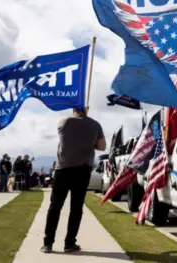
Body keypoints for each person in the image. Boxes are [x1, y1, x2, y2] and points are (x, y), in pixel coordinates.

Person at [41, 106, 106, 254]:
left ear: (73, 108)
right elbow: (102, 147)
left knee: (55, 207)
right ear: (87, 108)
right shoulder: (95, 125)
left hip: (62, 169)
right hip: (82, 171)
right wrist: (90, 142)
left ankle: (48, 243)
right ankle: (70, 243)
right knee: (76, 208)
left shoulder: (63, 122)